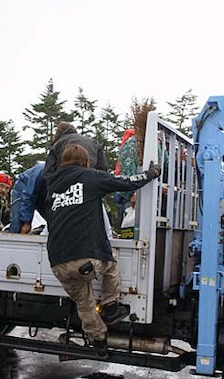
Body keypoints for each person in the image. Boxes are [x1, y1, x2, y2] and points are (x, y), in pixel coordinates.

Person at [46, 144, 161, 359]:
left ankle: (99, 342)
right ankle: (111, 306)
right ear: (86, 162)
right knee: (111, 260)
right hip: (85, 260)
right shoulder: (90, 177)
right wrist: (151, 173)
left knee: (84, 302)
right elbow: (126, 182)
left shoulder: (52, 186)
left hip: (57, 262)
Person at [43, 122, 108, 184]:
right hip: (90, 179)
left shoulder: (58, 144)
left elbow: (48, 172)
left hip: (66, 180)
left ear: (58, 133)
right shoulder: (93, 142)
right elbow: (102, 167)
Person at [9, 162, 48, 234]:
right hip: (23, 189)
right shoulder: (41, 170)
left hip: (42, 194)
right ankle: (12, 237)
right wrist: (27, 222)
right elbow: (29, 195)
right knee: (18, 223)